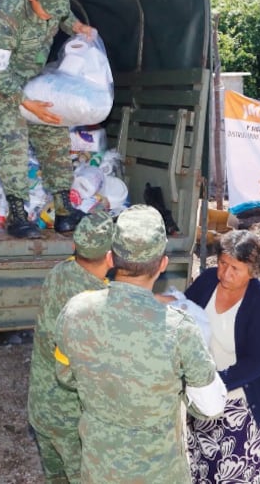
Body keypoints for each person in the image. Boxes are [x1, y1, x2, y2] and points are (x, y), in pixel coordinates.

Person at [54, 205, 225, 483]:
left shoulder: (75, 310)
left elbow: (65, 375)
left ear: (111, 258)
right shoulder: (180, 328)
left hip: (99, 468)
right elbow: (210, 406)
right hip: (159, 472)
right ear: (162, 264)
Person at [0, 0, 96, 238]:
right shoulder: (5, 17)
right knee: (14, 148)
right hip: (4, 87)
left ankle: (65, 211)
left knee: (55, 139)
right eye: (46, 8)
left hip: (36, 81)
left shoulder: (54, 1)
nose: (50, 16)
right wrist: (25, 102)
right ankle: (18, 216)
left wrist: (77, 26)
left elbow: (64, 15)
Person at [184, 230, 260, 483]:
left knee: (240, 474)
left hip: (242, 407)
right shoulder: (207, 282)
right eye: (222, 263)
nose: (225, 273)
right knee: (204, 468)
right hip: (205, 401)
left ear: (253, 270)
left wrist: (215, 381)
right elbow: (184, 315)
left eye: (235, 268)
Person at [27, 211, 114, 484]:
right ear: (111, 256)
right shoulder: (98, 302)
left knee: (55, 477)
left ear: (74, 246)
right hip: (71, 421)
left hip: (41, 408)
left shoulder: (58, 272)